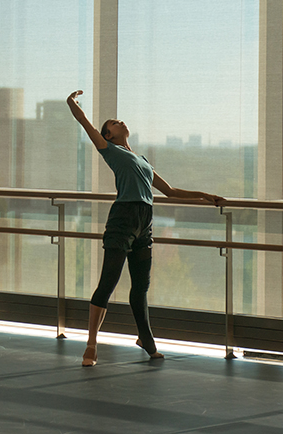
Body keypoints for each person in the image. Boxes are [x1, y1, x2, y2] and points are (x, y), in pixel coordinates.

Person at [66, 90, 225, 366]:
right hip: (123, 219)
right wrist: (71, 103)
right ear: (108, 135)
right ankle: (91, 344)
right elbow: (85, 124)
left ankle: (146, 339)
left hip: (145, 222)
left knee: (140, 287)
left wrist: (206, 196)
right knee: (108, 282)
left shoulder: (142, 160)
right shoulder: (110, 151)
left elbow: (171, 191)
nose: (120, 122)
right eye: (114, 122)